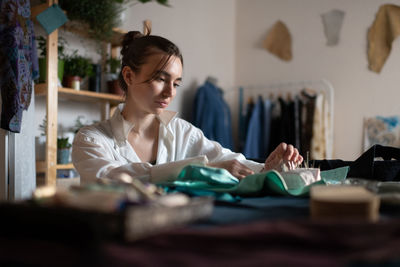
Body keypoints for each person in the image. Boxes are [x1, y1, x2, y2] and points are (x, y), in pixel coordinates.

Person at [72, 29, 303, 184]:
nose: (170, 92)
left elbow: (227, 160)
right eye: (161, 79)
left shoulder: (183, 132)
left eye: (176, 83)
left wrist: (266, 169)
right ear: (129, 76)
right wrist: (201, 170)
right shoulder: (91, 139)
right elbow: (110, 178)